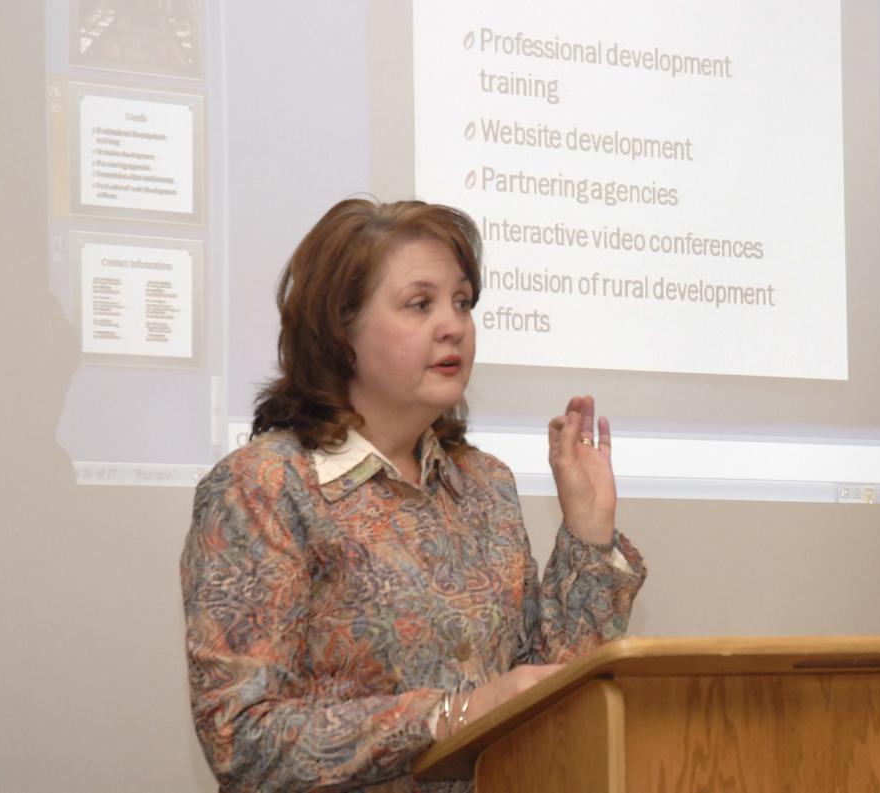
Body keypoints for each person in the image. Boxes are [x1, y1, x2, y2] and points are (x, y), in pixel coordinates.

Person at [180, 198, 647, 792]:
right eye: (419, 304)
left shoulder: (484, 484)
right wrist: (448, 717)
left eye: (463, 302)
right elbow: (241, 737)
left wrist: (588, 527)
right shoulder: (264, 487)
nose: (453, 325)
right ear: (340, 329)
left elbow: (546, 691)